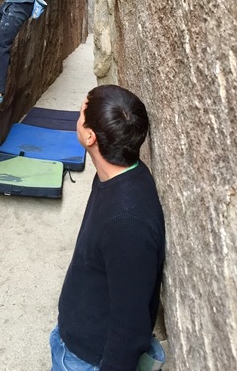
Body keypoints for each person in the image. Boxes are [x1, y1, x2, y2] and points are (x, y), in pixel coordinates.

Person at [51, 84, 166, 371]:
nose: (77, 118)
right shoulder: (118, 173)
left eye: (81, 113)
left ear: (90, 136)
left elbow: (130, 329)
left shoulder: (127, 222)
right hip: (75, 336)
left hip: (87, 359)